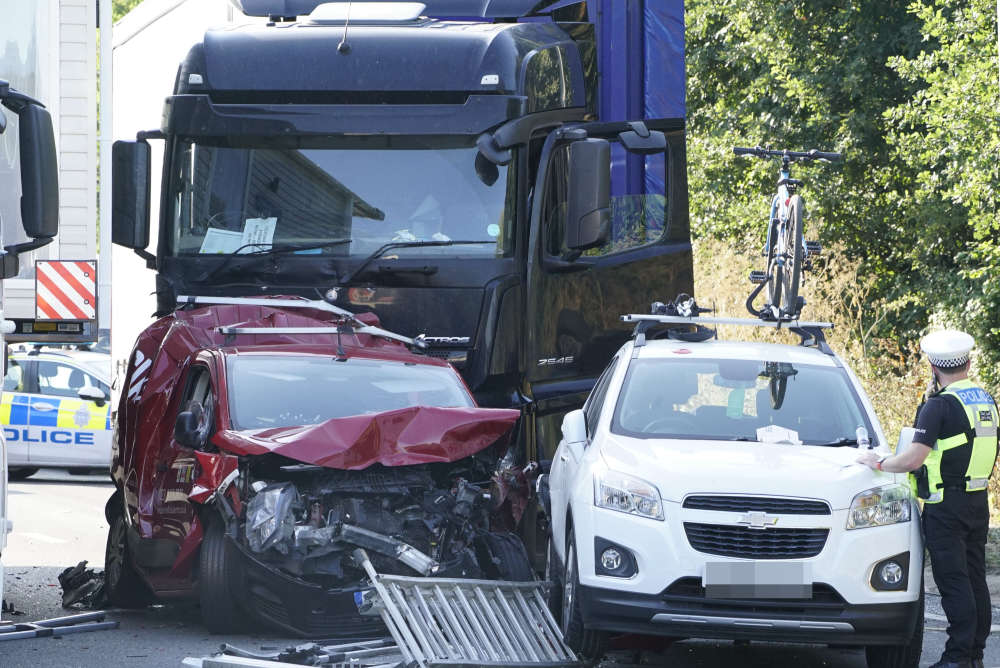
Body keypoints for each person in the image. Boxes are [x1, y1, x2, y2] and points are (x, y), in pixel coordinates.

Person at [858, 330, 999, 668]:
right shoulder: (984, 400)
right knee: (975, 578)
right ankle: (974, 655)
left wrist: (877, 462)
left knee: (954, 581)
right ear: (967, 363)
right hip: (977, 502)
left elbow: (911, 460)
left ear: (933, 366)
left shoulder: (938, 406)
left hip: (945, 506)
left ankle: (957, 658)